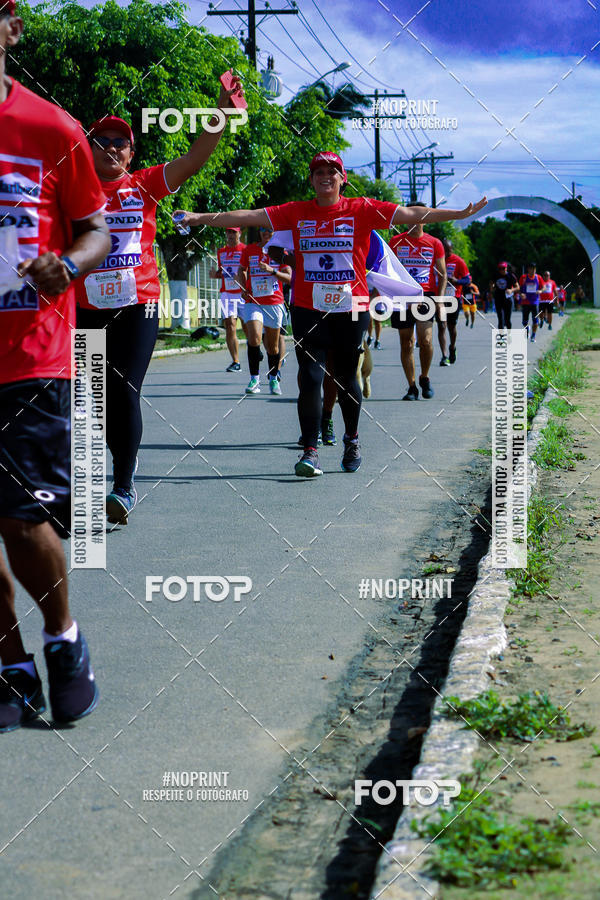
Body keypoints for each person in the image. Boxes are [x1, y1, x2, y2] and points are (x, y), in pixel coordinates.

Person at [175, 152, 486, 475]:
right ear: (311, 180)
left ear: (343, 179)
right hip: (308, 308)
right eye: (318, 172)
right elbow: (248, 216)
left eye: (332, 171)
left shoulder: (362, 209)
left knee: (345, 376)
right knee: (309, 378)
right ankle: (310, 450)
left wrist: (459, 213)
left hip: (351, 309)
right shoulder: (296, 212)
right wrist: (198, 217)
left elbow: (412, 213)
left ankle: (352, 438)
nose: (325, 176)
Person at [0, 0, 111, 731]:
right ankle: (8, 664)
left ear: (8, 25)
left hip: (29, 353)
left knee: (19, 517)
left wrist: (66, 266)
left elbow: (96, 229)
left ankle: (62, 639)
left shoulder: (51, 128)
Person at [75, 74, 244, 525]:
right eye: (102, 140)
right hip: (85, 307)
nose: (111, 147)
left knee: (124, 389)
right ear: (89, 147)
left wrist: (222, 112)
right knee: (91, 398)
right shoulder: (71, 189)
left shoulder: (145, 184)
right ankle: (88, 486)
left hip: (139, 304)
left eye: (120, 142)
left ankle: (123, 485)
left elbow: (195, 156)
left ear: (132, 153)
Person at [388, 203, 445, 394]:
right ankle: (411, 386)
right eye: (408, 215)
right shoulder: (395, 242)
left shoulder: (434, 243)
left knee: (426, 340)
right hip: (402, 295)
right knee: (407, 342)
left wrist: (440, 299)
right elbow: (387, 270)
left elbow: (442, 274)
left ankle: (424, 377)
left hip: (426, 295)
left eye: (416, 215)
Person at [238, 226, 291, 395]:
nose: (265, 232)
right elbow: (242, 269)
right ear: (259, 231)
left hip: (274, 302)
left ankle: (273, 379)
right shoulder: (250, 249)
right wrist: (243, 286)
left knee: (273, 347)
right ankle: (254, 379)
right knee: (254, 338)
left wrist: (272, 271)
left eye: (269, 229)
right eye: (262, 229)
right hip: (253, 301)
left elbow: (289, 277)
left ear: (274, 232)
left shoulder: (280, 251)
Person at [210, 227, 246, 371]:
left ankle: (255, 347)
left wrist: (243, 279)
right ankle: (236, 361)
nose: (231, 235)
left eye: (234, 232)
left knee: (248, 326)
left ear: (240, 233)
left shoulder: (245, 249)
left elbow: (249, 269)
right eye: (228, 232)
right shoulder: (221, 252)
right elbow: (223, 272)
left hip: (243, 293)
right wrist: (215, 275)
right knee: (230, 325)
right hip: (226, 293)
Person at [438, 237, 470, 364]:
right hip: (440, 298)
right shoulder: (437, 259)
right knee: (441, 325)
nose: (445, 253)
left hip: (454, 297)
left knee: (451, 327)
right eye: (443, 250)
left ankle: (452, 347)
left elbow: (468, 280)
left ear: (451, 249)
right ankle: (444, 356)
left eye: (448, 250)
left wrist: (457, 281)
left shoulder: (458, 261)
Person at [519, 262, 544, 342]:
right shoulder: (523, 277)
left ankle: (533, 335)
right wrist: (521, 294)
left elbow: (543, 287)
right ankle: (527, 328)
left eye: (534, 268)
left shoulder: (538, 277)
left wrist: (540, 291)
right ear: (528, 269)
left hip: (535, 302)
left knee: (535, 320)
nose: (533, 270)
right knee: (524, 321)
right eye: (531, 268)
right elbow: (518, 288)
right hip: (525, 302)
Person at [493, 262, 519, 329]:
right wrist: (492, 287)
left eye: (503, 268)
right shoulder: (496, 275)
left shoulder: (511, 276)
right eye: (500, 269)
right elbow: (492, 285)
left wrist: (511, 290)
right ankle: (501, 337)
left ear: (506, 268)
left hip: (508, 299)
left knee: (507, 320)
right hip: (498, 299)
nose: (502, 270)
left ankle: (509, 335)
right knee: (500, 320)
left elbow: (518, 287)